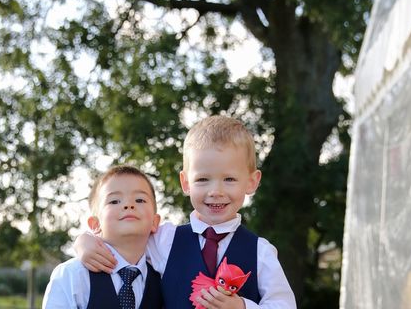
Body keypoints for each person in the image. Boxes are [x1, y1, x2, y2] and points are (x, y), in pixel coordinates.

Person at [76, 115, 297, 309]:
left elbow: (284, 305)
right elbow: (123, 243)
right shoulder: (164, 240)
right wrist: (85, 241)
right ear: (186, 182)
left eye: (229, 179)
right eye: (202, 179)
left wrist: (241, 306)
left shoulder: (261, 252)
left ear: (251, 182)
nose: (215, 191)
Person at [42, 165, 163, 309]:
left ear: (155, 222)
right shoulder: (72, 275)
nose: (129, 205)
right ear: (95, 224)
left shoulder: (164, 277)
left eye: (139, 200)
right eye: (114, 201)